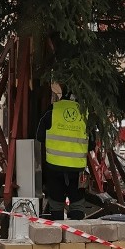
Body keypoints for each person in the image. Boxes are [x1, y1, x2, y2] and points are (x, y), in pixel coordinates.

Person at [36, 85, 90, 220]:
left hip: (54, 166)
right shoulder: (85, 113)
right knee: (77, 202)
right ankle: (76, 235)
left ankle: (57, 232)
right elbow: (92, 143)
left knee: (56, 202)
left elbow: (39, 136)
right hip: (77, 168)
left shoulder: (52, 110)